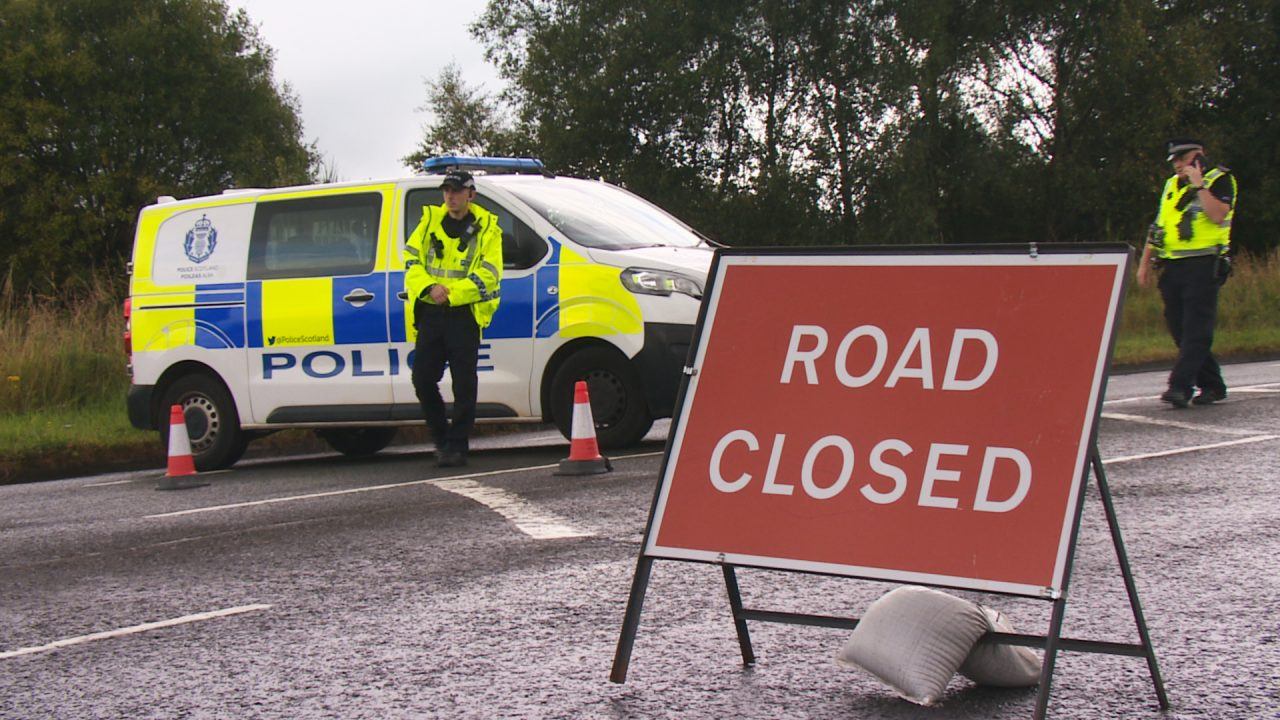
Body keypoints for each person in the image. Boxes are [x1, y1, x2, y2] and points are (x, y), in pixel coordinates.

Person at [405, 169, 503, 466]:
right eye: (446, 190)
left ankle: (457, 445)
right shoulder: (428, 222)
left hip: (464, 313)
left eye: (457, 191)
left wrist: (450, 292)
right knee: (422, 378)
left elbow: (489, 274)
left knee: (463, 383)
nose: (450, 196)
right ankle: (441, 437)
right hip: (431, 313)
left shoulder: (487, 228)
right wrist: (429, 287)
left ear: (470, 194)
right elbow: (411, 262)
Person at [1136, 138, 1237, 408]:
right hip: (1172, 268)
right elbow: (1159, 227)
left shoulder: (1220, 179)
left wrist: (1199, 185)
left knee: (1196, 331)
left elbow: (1218, 215)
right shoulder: (1171, 185)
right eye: (1175, 160)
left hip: (1204, 265)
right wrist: (1144, 263)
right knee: (1179, 329)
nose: (1178, 164)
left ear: (1199, 156)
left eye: (1183, 158)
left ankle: (1180, 386)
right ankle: (1213, 385)